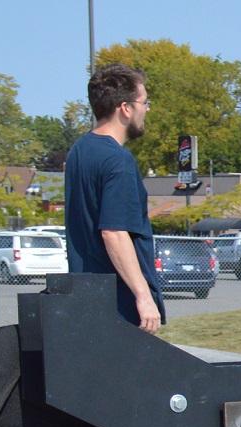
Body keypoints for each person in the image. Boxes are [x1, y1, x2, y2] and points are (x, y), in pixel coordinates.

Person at [66, 62, 164, 332]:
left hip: (85, 298)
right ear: (125, 108)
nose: (146, 109)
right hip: (118, 305)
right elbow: (114, 233)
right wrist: (143, 296)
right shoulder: (117, 161)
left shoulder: (80, 150)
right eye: (144, 102)